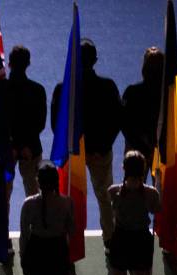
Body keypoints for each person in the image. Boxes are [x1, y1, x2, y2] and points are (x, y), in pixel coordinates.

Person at [50, 39, 122, 244]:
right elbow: (116, 120)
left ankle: (69, 242)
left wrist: (75, 149)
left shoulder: (62, 88)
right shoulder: (108, 86)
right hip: (100, 153)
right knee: (105, 197)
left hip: (74, 154)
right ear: (95, 60)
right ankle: (111, 240)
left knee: (70, 199)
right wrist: (102, 147)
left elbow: (57, 124)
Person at [105, 151, 161, 275]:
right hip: (141, 242)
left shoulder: (113, 191)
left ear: (124, 169)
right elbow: (157, 210)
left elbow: (112, 210)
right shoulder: (152, 194)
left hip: (121, 241)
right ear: (144, 169)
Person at [5, 45, 46, 198]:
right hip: (31, 151)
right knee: (34, 193)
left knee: (4, 191)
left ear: (9, 64)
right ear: (28, 64)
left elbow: (1, 122)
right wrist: (24, 146)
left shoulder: (1, 90)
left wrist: (13, 146)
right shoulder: (38, 90)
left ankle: (1, 222)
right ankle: (35, 223)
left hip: (7, 153)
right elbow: (39, 123)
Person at [121, 47, 164, 166]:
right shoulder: (170, 96)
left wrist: (142, 146)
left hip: (136, 148)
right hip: (162, 149)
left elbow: (124, 123)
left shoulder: (131, 92)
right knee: (163, 184)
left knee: (133, 183)